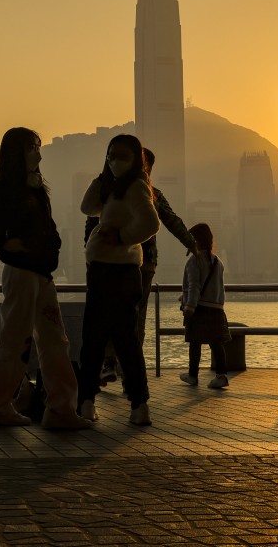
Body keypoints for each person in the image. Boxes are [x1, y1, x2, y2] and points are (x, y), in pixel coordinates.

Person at [0, 127, 91, 430]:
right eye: (32, 147)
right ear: (16, 153)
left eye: (39, 146)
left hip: (42, 274)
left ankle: (61, 409)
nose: (39, 152)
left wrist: (54, 245)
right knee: (14, 341)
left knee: (55, 341)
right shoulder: (6, 189)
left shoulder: (35, 188)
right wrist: (3, 241)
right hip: (22, 274)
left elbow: (46, 226)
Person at [86, 147, 197, 385]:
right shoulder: (150, 193)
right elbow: (170, 219)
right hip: (140, 263)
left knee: (108, 313)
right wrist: (192, 243)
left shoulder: (112, 192)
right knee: (135, 316)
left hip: (114, 262)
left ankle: (111, 365)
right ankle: (129, 371)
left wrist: (90, 253)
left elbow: (92, 225)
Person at [77, 134, 160, 425]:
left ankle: (138, 404)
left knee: (119, 339)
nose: (114, 161)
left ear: (136, 158)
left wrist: (122, 237)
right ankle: (88, 403)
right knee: (97, 339)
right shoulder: (113, 188)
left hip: (119, 272)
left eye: (121, 155)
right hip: (102, 270)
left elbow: (152, 223)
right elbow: (87, 207)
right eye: (110, 155)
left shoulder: (136, 187)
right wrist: (100, 179)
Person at [179, 222, 231, 389]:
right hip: (216, 309)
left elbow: (194, 285)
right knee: (216, 344)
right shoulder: (219, 263)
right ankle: (221, 375)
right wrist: (219, 305)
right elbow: (219, 288)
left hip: (199, 309)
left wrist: (189, 306)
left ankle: (192, 375)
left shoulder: (194, 261)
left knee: (195, 343)